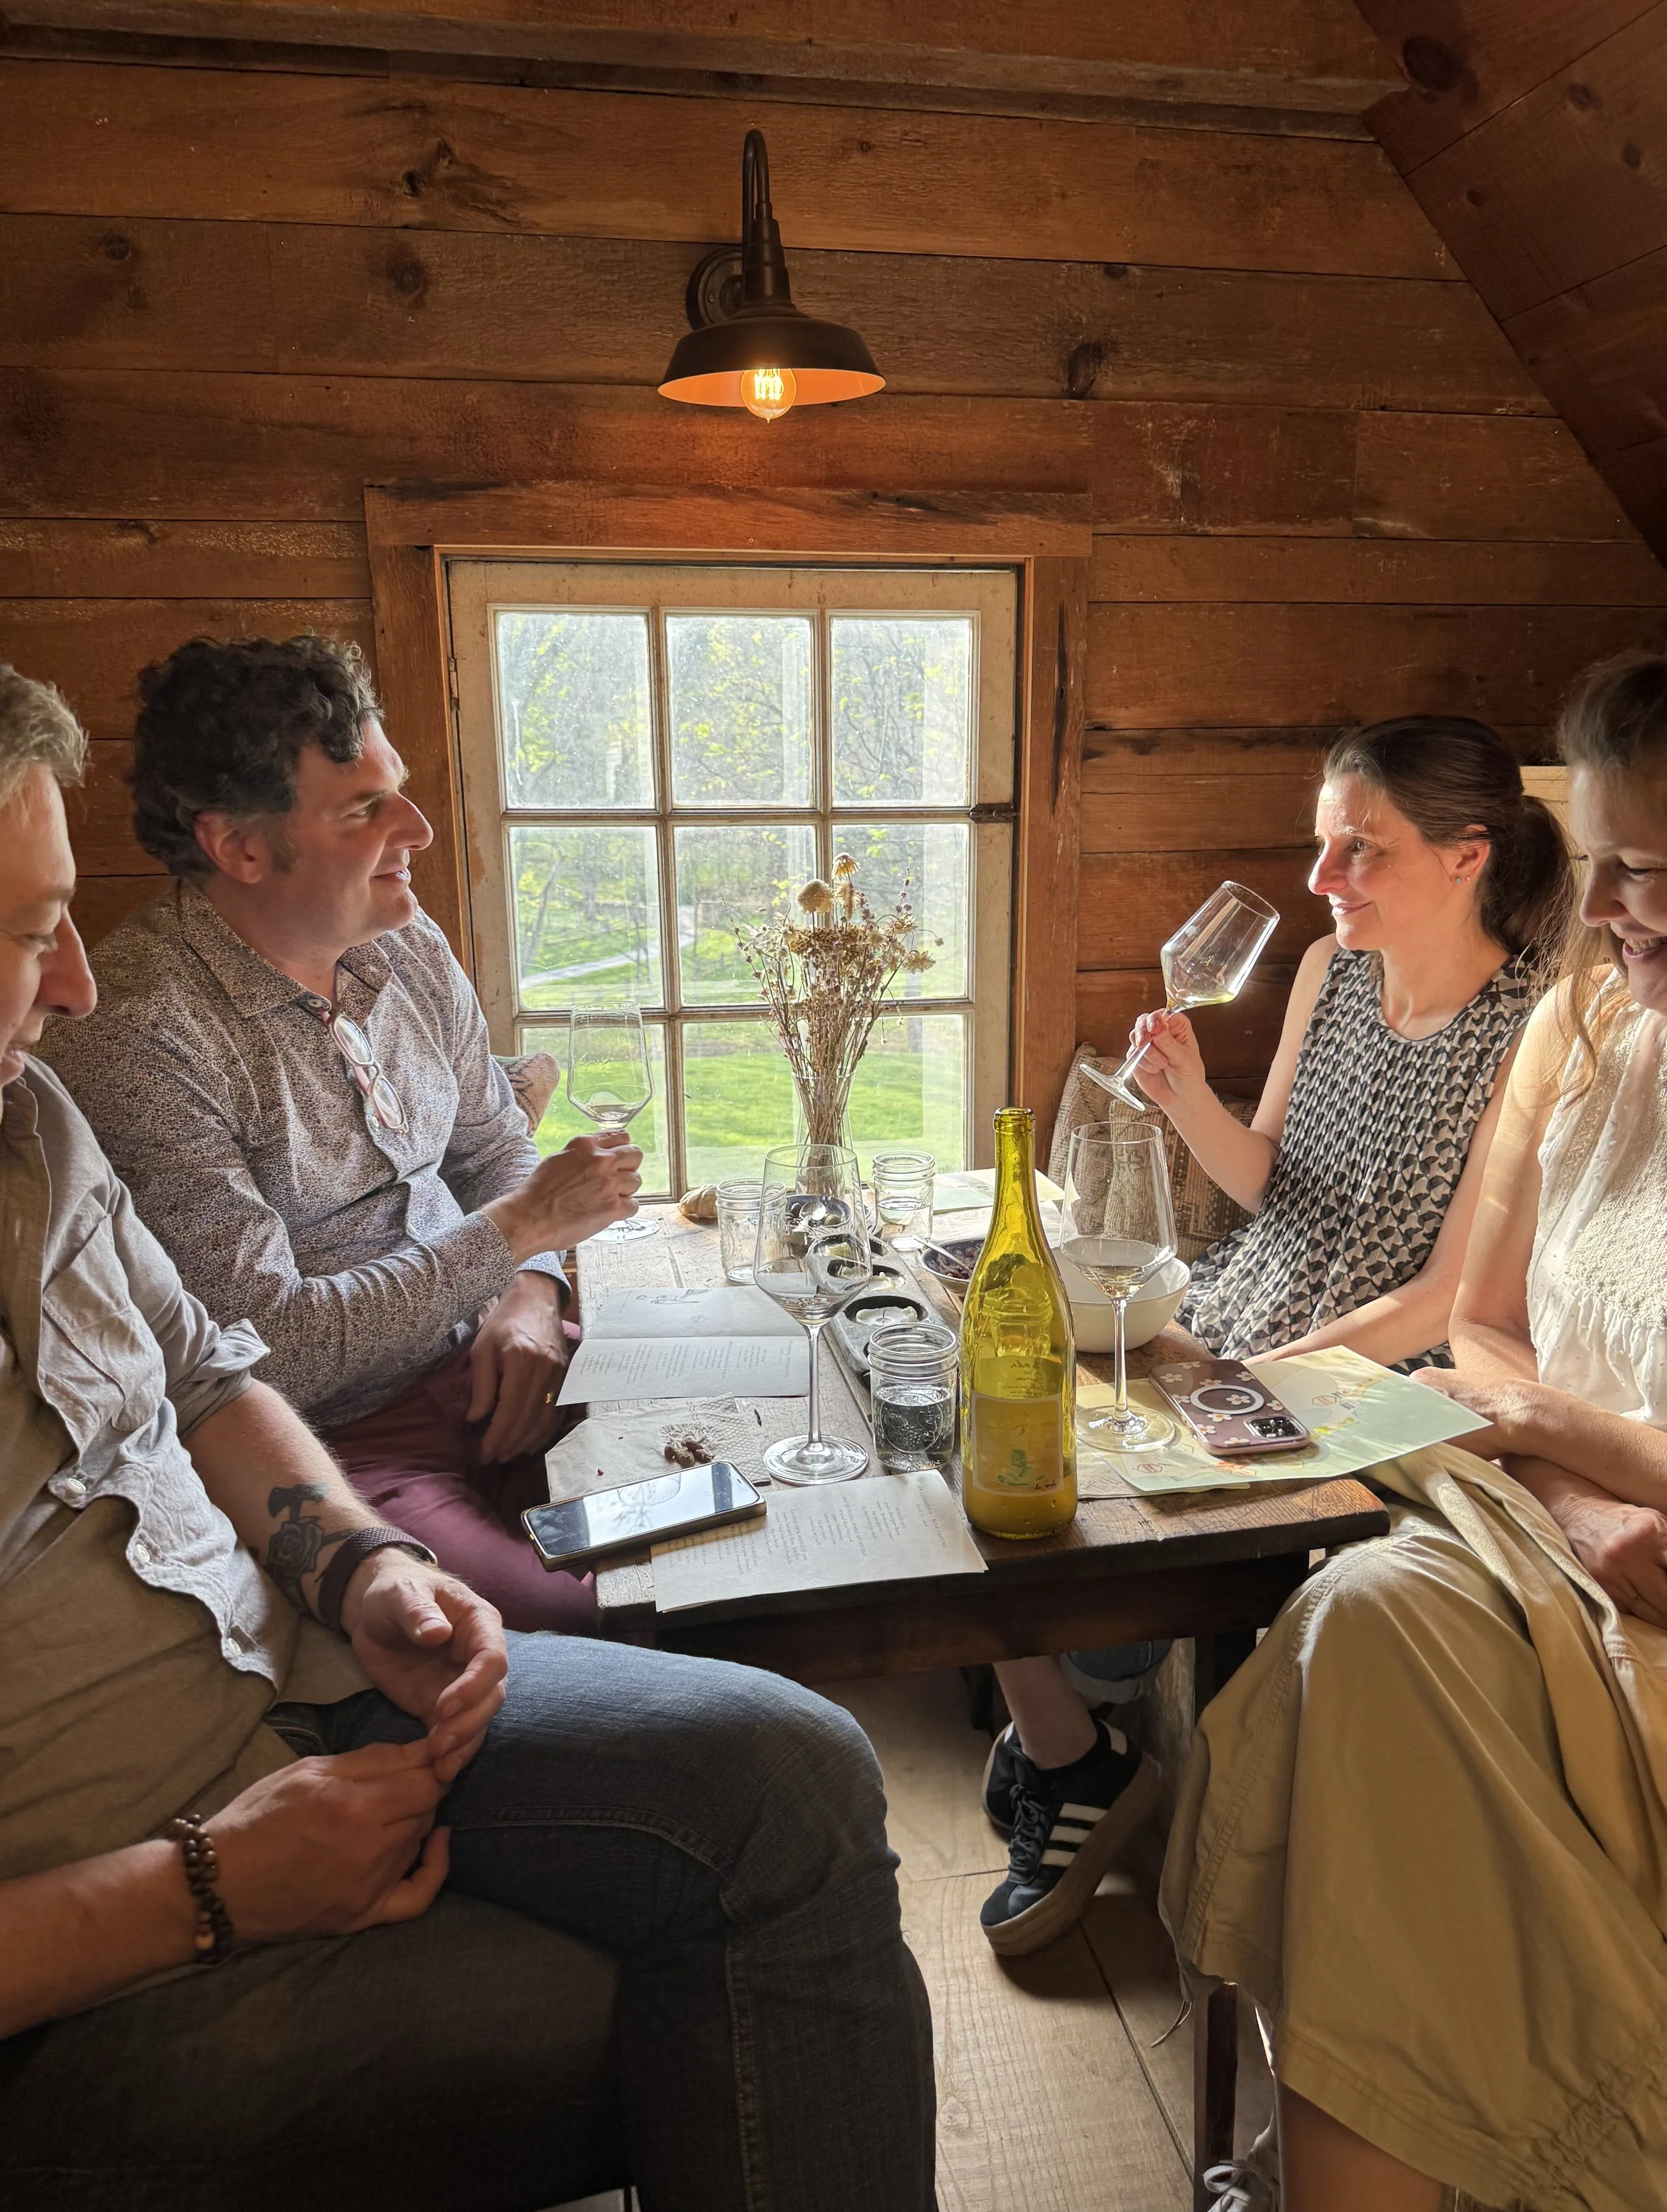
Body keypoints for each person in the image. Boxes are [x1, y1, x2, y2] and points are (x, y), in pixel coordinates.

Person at [0, 661, 935, 2212]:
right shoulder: (140, 1046)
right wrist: (204, 1890)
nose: (78, 979)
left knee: (788, 1722)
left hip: (298, 1663)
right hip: (145, 1861)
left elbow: (214, 1373)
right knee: (720, 1941)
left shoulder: (33, 1119)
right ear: (240, 846)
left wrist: (360, 1567)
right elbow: (298, 1346)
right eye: (32, 931)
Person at [1166, 651, 1667, 2212]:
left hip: (1609, 1552)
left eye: (1648, 874)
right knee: (1358, 1613)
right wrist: (1568, 1481)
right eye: (1596, 867)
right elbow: (1488, 1323)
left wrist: (1535, 1419)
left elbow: (1479, 1348)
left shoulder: (1515, 1006)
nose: (1603, 912)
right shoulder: (1584, 1034)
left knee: (1361, 1659)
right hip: (1557, 1525)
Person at [979, 715, 1574, 1957]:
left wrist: (1251, 1382)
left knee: (1069, 1493)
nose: (1321, 881)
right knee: (986, 1426)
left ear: (1469, 856)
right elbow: (1265, 1183)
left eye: (1360, 850)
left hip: (1362, 1374)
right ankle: (1072, 1742)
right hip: (1230, 1314)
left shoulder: (1533, 1027)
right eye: (1322, 847)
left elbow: (1447, 1297)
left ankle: (1077, 1745)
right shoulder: (1324, 972)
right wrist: (1185, 1092)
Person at [40, 635, 639, 1632]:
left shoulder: (401, 938)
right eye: (365, 809)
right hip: (342, 1441)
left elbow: (494, 1146)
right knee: (589, 1615)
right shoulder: (141, 1037)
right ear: (239, 847)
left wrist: (531, 1295)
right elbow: (268, 1351)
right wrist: (518, 1236)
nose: (420, 828)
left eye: (395, 789)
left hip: (508, 1353)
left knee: (733, 1507)